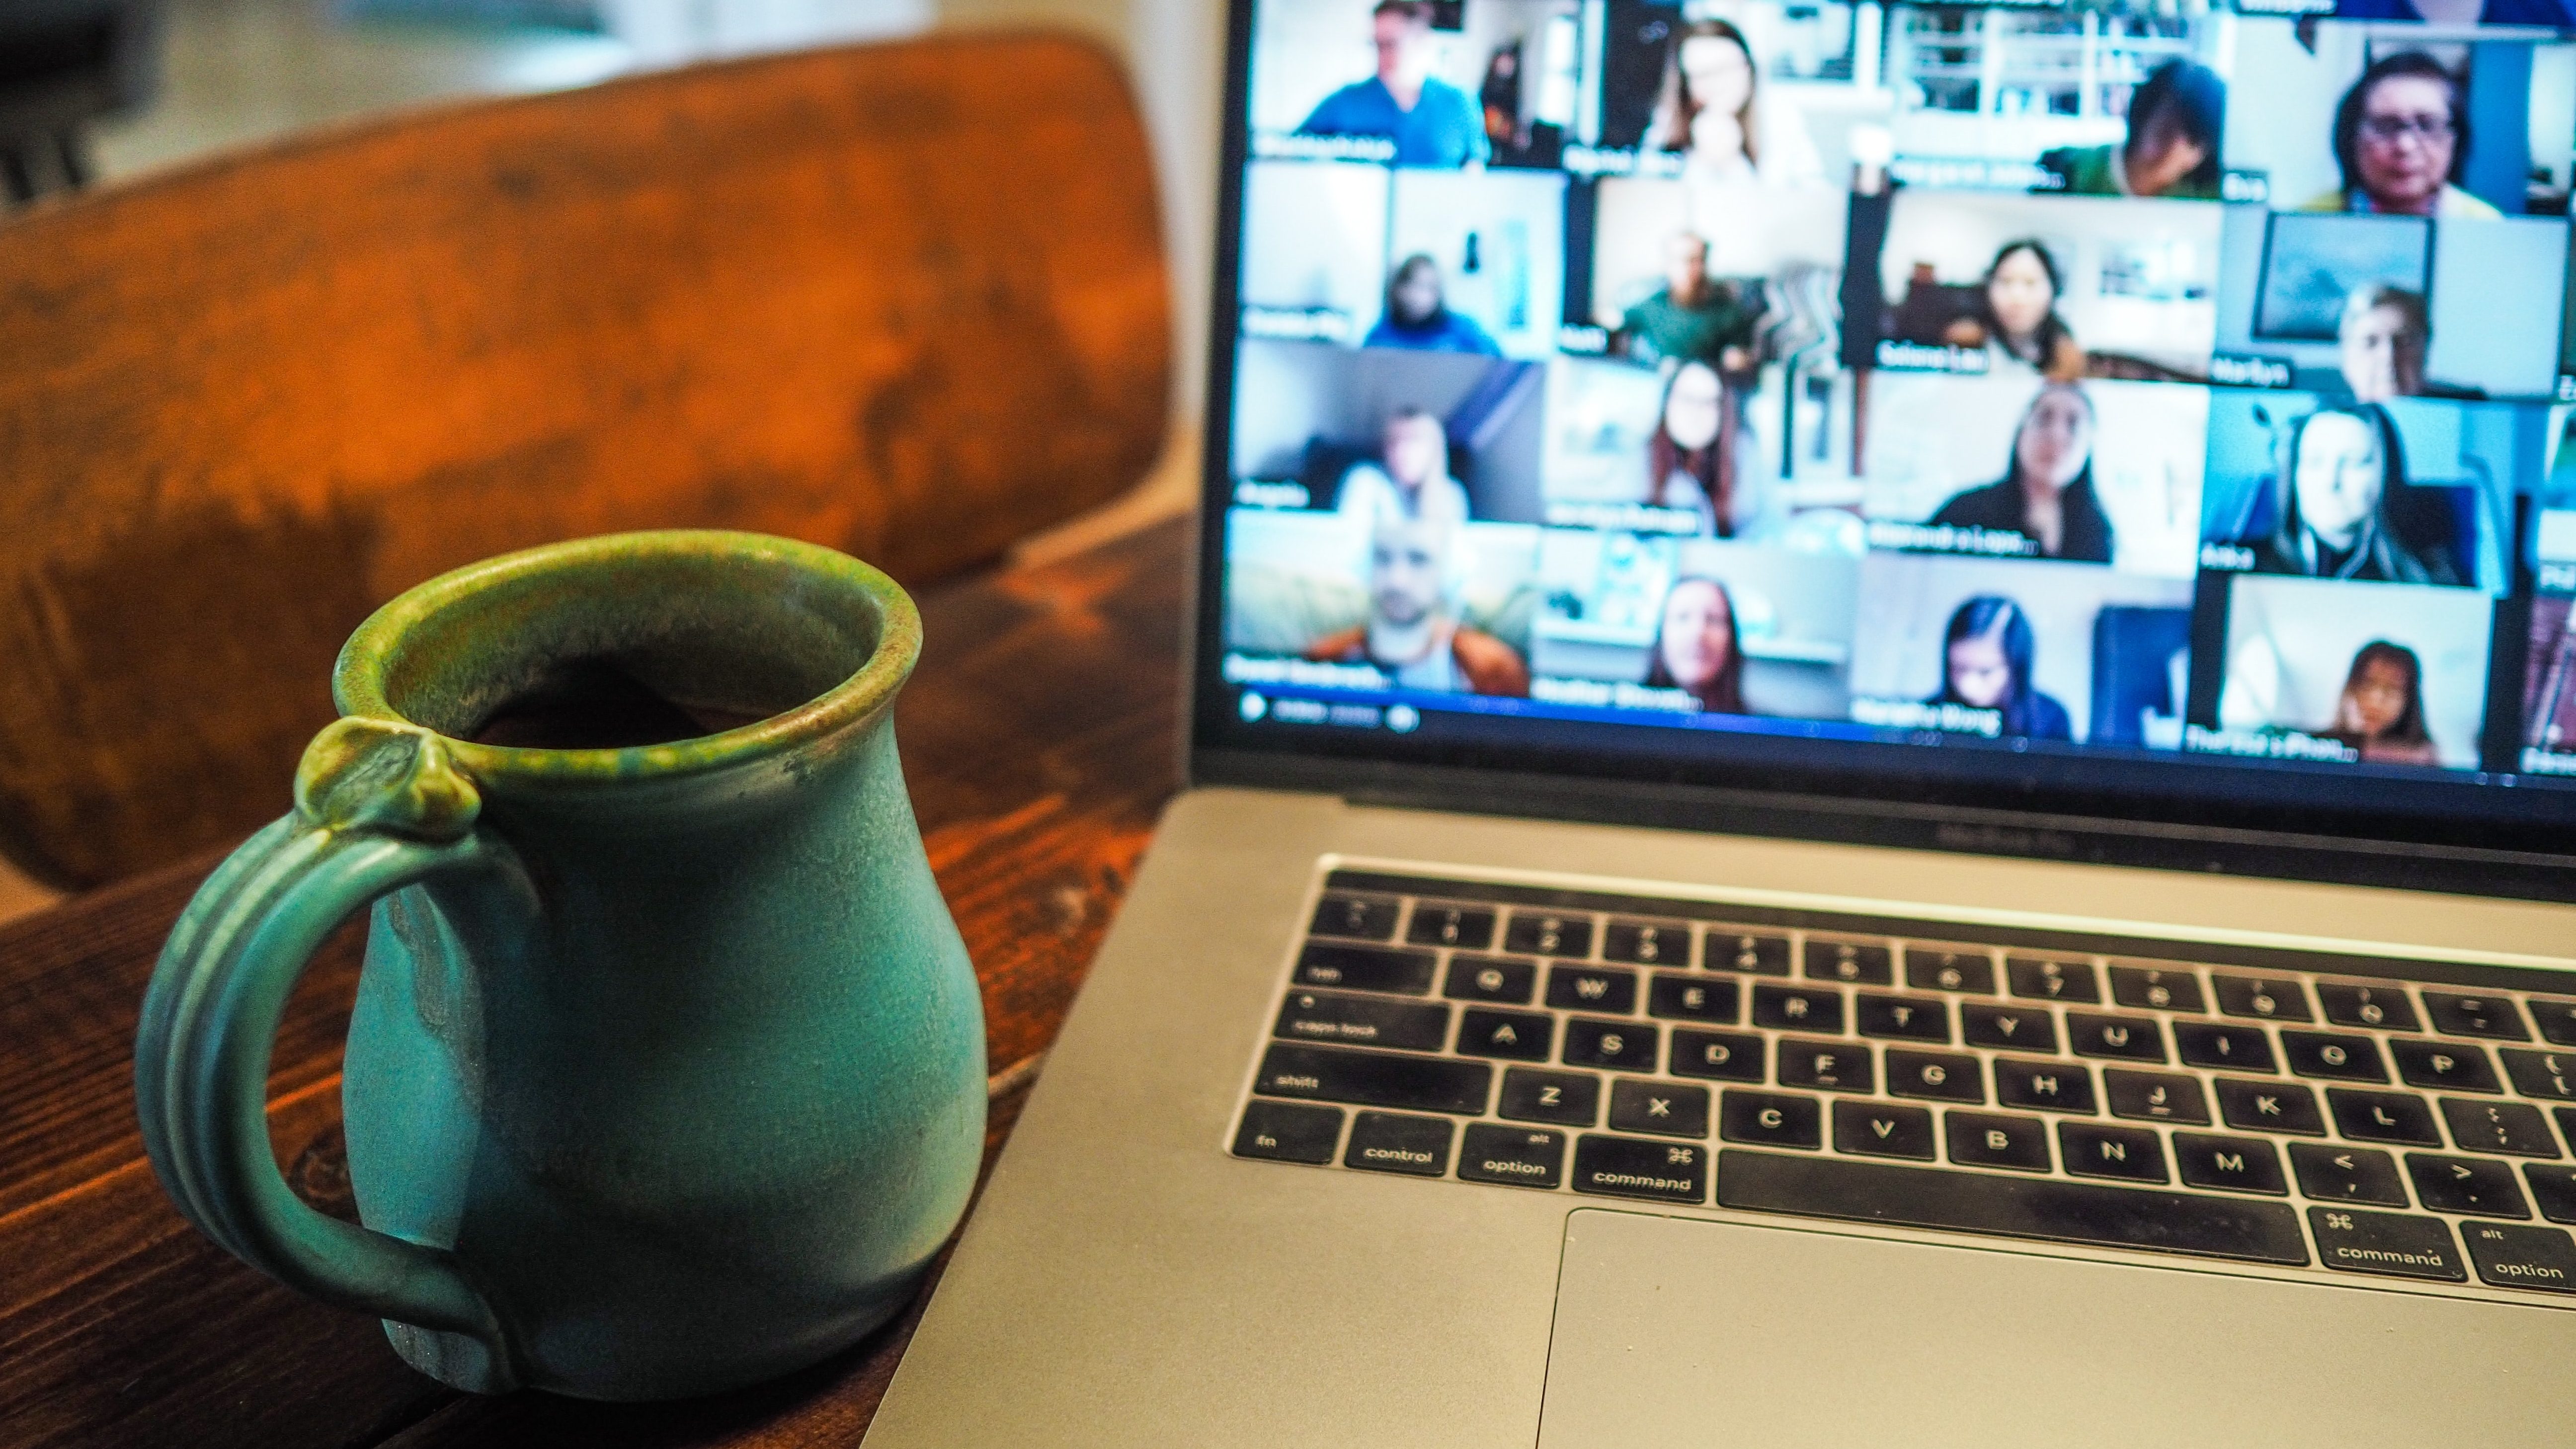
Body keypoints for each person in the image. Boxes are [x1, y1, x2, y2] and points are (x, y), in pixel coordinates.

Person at [1303, 512, 1529, 695]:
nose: (1397, 580)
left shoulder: (1494, 669)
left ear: (1448, 572)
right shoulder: (1324, 658)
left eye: (1418, 559)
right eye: (1383, 558)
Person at [2246, 405, 2461, 585]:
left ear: (2385, 474)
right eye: (2314, 462)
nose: (2331, 482)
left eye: (2354, 463)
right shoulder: (2246, 563)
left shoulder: (2429, 577)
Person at [1927, 384, 2114, 564]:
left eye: (2073, 425)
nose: (2056, 436)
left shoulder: (2098, 531)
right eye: (2044, 419)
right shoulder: (1964, 512)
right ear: (2021, 432)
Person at [2300, 53, 2500, 219]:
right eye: (2385, 126)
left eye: (2427, 125)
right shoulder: (2309, 218)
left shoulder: (2484, 225)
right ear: (2352, 137)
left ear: (2455, 139)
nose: (2405, 146)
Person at [1296, 0, 1489, 168]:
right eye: (1377, 45)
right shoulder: (1345, 103)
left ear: (1421, 41)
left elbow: (1473, 169)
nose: (1382, 55)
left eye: (1391, 44)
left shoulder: (1459, 103)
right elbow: (1291, 154)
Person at [1646, 17, 1823, 187]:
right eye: (1703, 74)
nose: (1717, 83)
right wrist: (1701, 160)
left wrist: (1731, 163)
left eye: (1725, 69)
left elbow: (1816, 203)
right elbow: (1648, 196)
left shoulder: (1782, 121)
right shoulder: (1666, 125)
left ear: (1748, 69)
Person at [2037, 60, 2226, 201]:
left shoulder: (2208, 198)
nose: (2171, 139)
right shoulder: (2070, 169)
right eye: (2164, 117)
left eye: (2190, 134)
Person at [1928, 596, 2073, 742]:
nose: (1968, 685)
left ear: (2016, 667)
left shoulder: (2051, 717)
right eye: (1958, 668)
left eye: (1985, 671)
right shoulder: (1927, 715)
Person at [1941, 241, 2085, 381]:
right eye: (2006, 281)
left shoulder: (2066, 355)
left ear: (2053, 289)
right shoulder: (1964, 339)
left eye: (2030, 283)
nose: (2017, 296)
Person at [1618, 232, 1760, 372]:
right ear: (1669, 264)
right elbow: (1615, 321)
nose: (1692, 268)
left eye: (1700, 260)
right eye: (1685, 260)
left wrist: (1738, 359)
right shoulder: (1651, 307)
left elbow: (1744, 352)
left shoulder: (1727, 312)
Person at [1336, 408, 1471, 529]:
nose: (1401, 451)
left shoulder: (1451, 493)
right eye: (1394, 441)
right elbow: (1350, 540)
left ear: (1435, 449)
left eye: (1414, 440)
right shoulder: (1365, 480)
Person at [1645, 361, 1730, 536]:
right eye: (1687, 399)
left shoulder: (1741, 465)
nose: (1696, 412)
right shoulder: (1640, 464)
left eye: (1709, 403)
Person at [2323, 640, 2440, 766]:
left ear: (2408, 702)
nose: (2375, 701)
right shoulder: (2317, 748)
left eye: (2392, 690)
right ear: (2350, 688)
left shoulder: (2423, 760)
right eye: (2366, 685)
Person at [1643, 576, 1747, 714]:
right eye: (1683, 617)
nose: (1698, 633)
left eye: (1714, 619)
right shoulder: (1621, 716)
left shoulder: (1764, 729)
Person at [1364, 254, 1501, 355]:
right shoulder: (1381, 334)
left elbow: (1500, 365)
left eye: (1428, 287)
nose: (1418, 296)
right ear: (1398, 290)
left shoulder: (1465, 330)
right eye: (1413, 285)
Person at [2337, 285, 2429, 403]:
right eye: (2370, 342)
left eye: (2405, 341)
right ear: (2346, 356)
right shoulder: (2322, 420)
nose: (2388, 356)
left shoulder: (2458, 416)